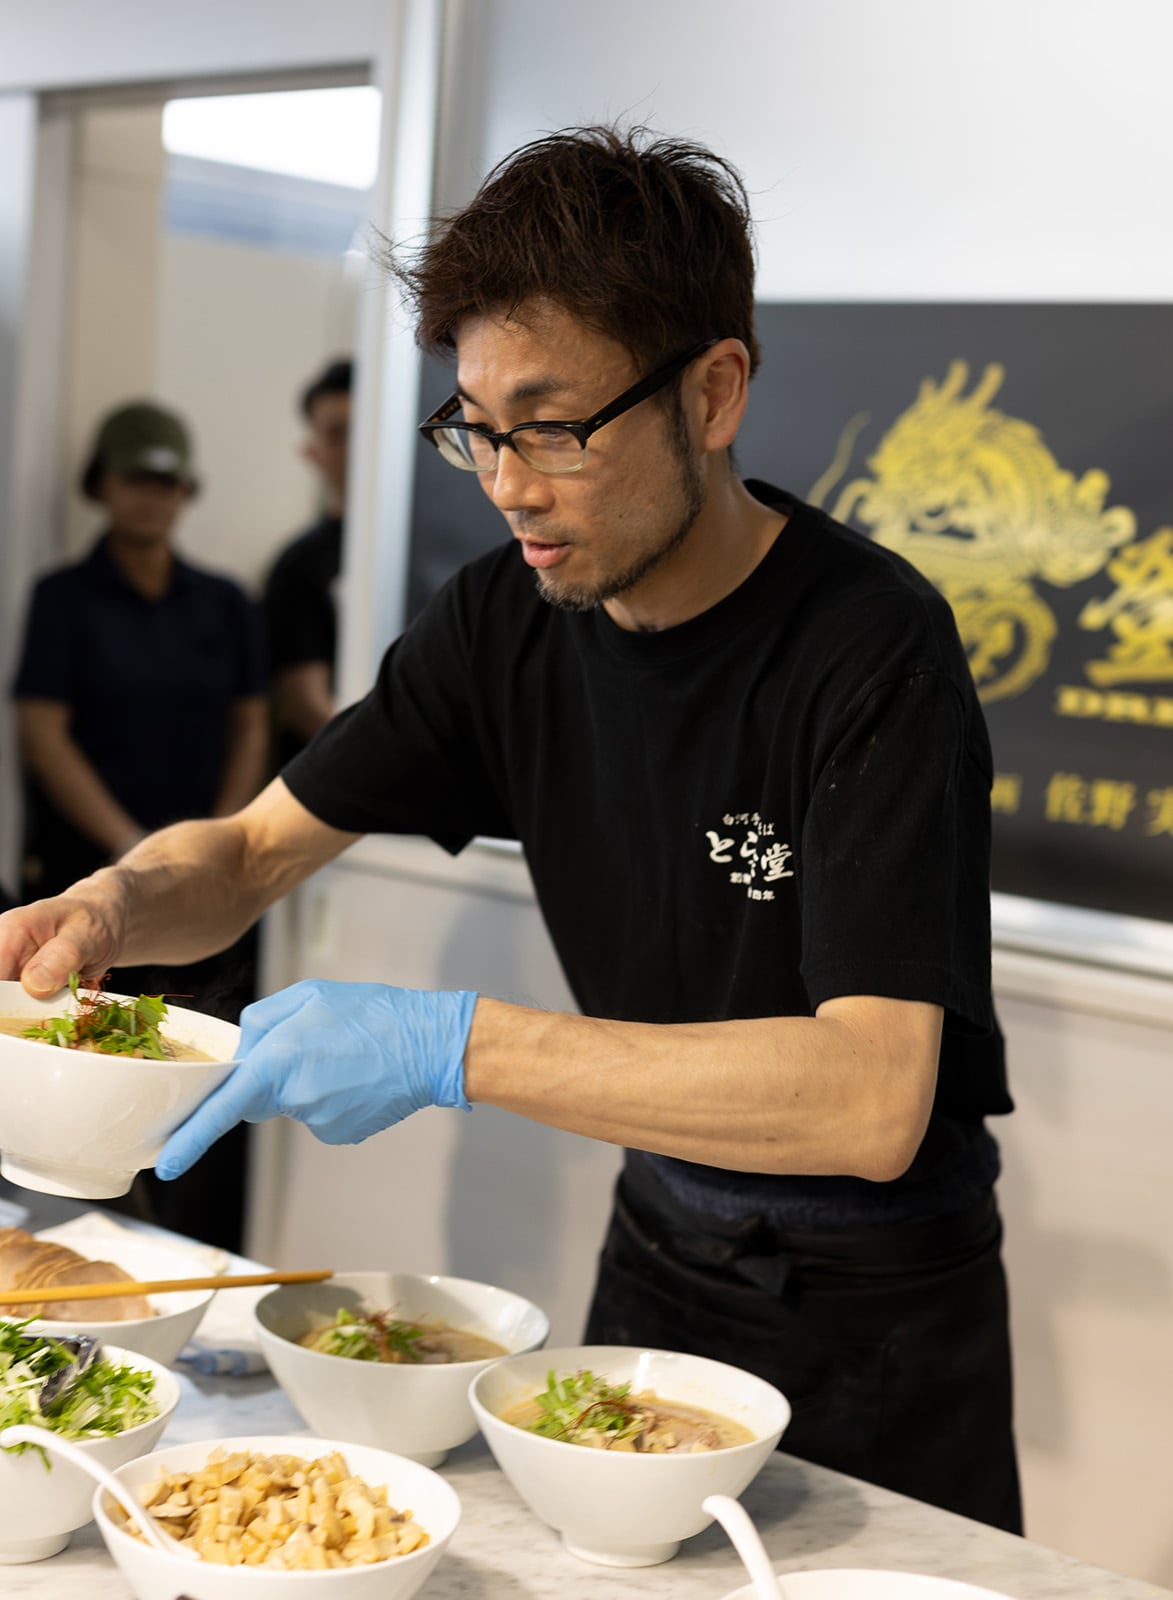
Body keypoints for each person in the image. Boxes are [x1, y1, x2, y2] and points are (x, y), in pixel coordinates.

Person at [0, 129, 1020, 1530]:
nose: (507, 481)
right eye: (475, 425)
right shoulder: (504, 622)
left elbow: (870, 1098)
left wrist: (451, 1046)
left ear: (713, 392)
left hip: (875, 1307)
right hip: (660, 1239)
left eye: (552, 426)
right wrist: (114, 902)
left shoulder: (870, 649)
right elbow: (247, 856)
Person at [10, 399, 269, 1251]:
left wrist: (218, 840)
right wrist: (130, 857)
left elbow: (250, 723)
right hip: (83, 888)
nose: (151, 497)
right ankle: (78, 1272)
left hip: (208, 901)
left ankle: (192, 1275)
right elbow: (43, 732)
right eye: (135, 478)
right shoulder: (65, 599)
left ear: (184, 491)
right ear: (103, 487)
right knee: (82, 1096)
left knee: (194, 1096)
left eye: (166, 481)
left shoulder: (224, 603)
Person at [262, 359, 352, 763]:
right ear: (312, 451)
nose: (355, 447)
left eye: (365, 427)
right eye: (338, 434)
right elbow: (306, 705)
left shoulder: (425, 549)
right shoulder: (298, 567)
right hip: (342, 778)